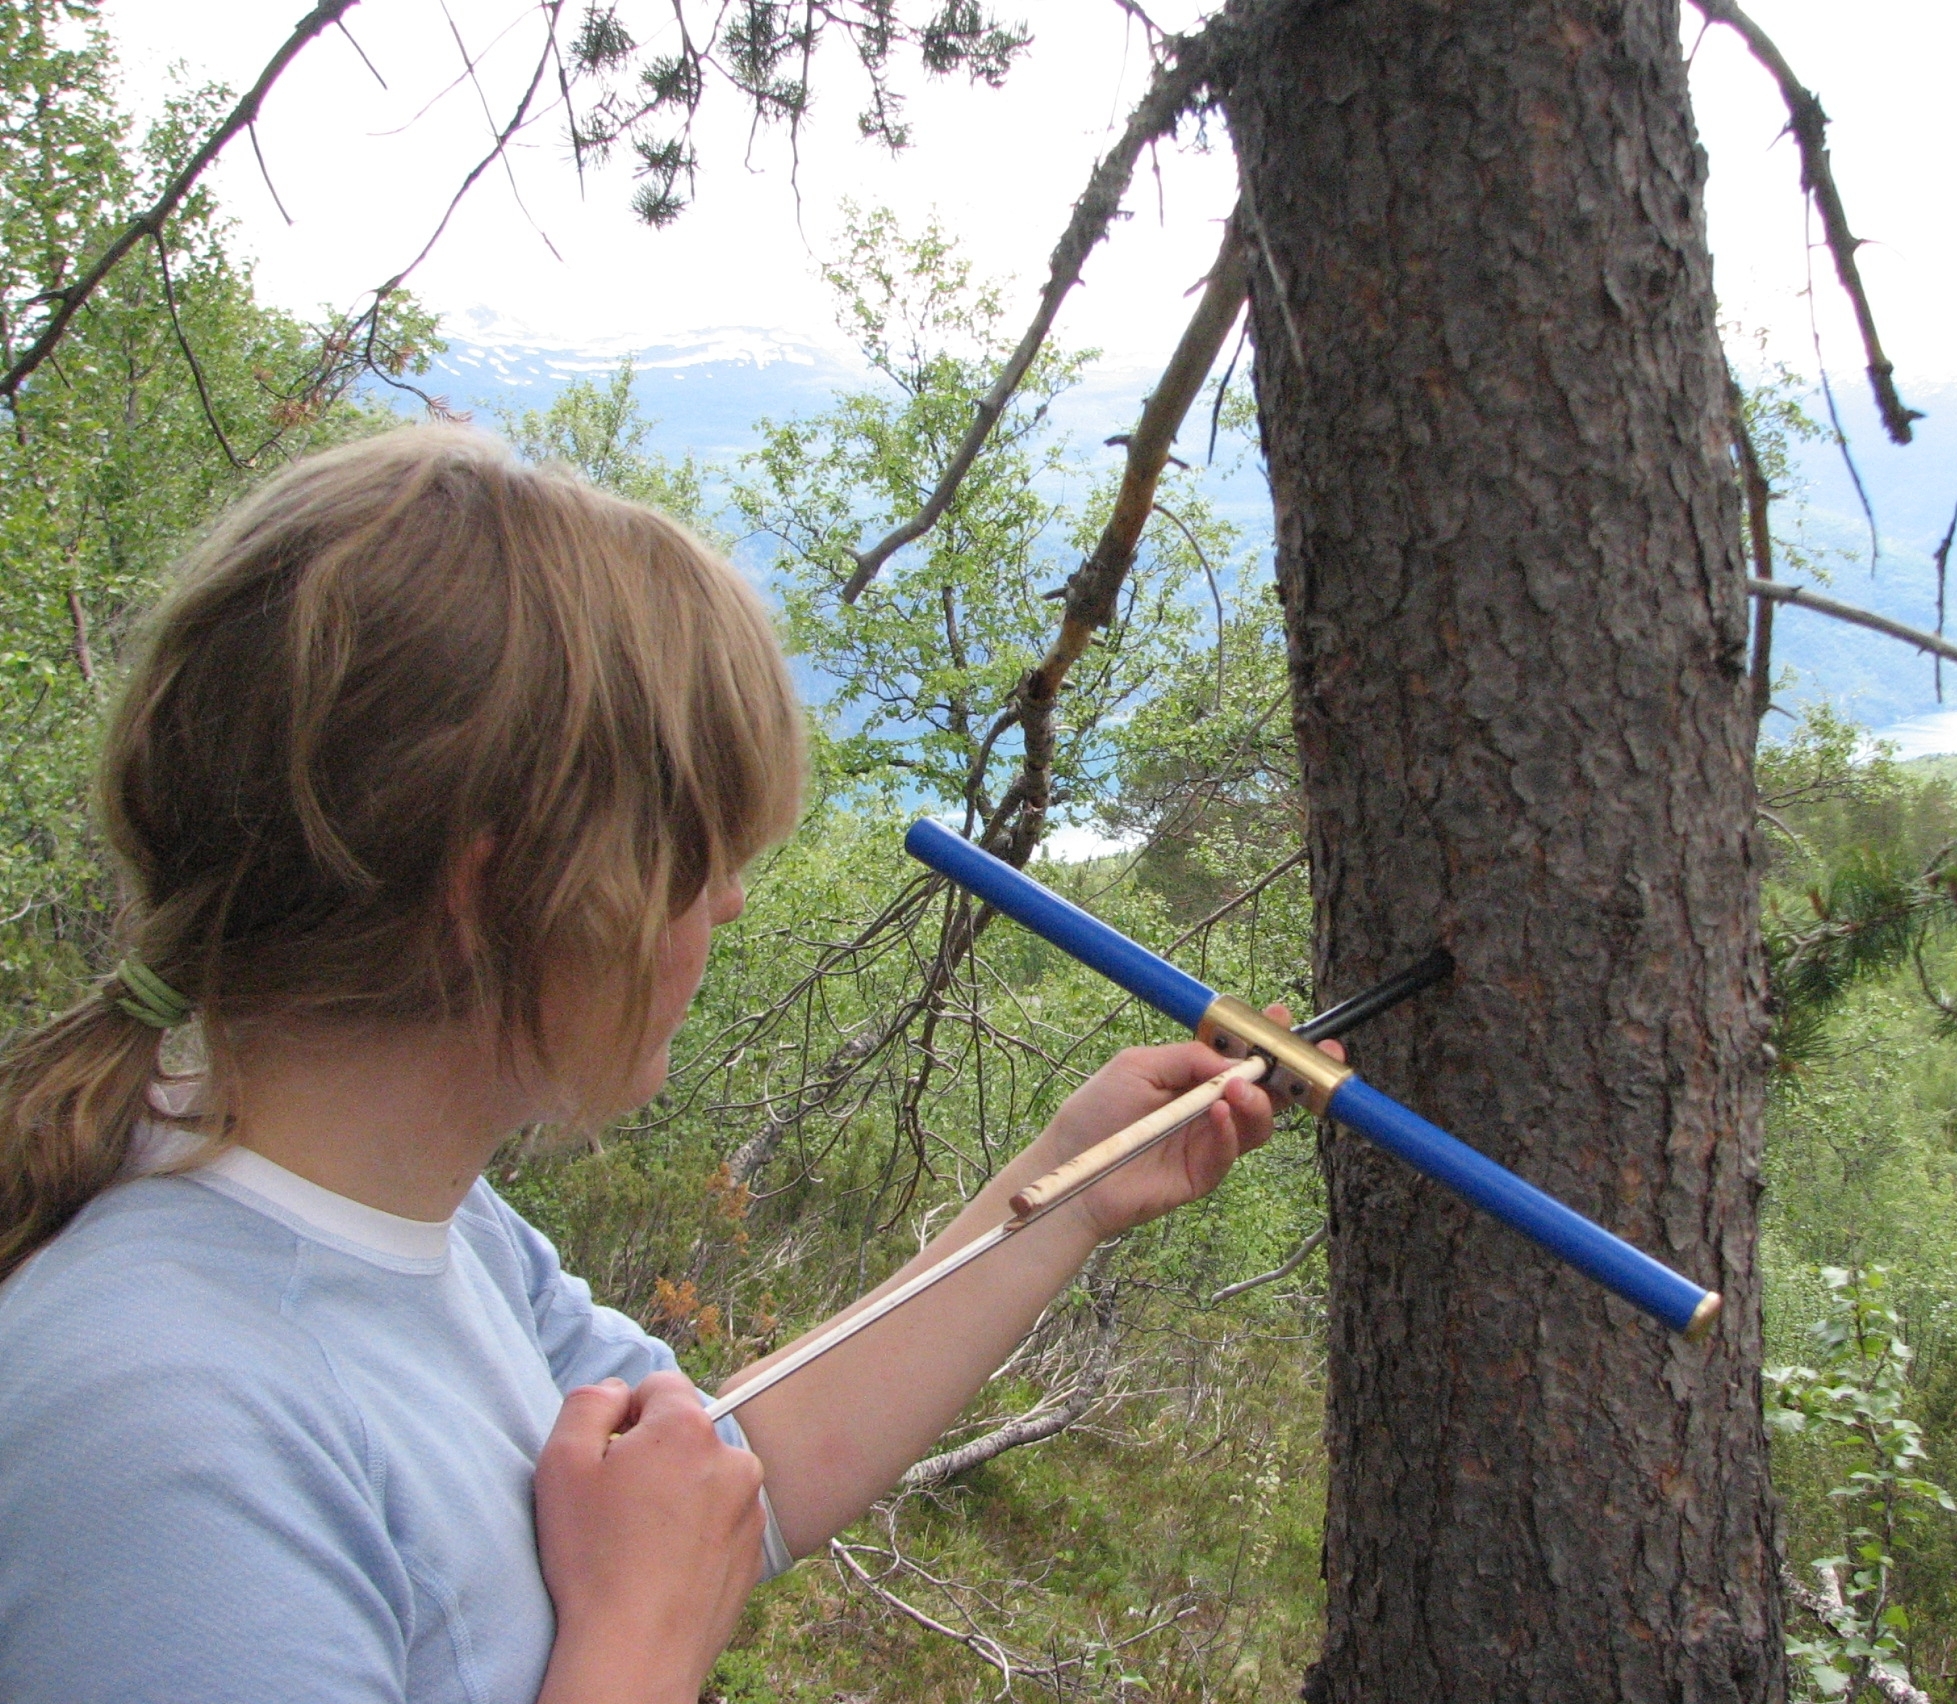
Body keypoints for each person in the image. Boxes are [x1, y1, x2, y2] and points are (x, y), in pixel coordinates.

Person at [0, 429, 1324, 1704]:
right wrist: (638, 1647)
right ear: (506, 888)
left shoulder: (425, 1223)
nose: (731, 907)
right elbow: (655, 1581)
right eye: (703, 857)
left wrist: (1068, 1187)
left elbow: (719, 1479)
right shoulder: (164, 1440)